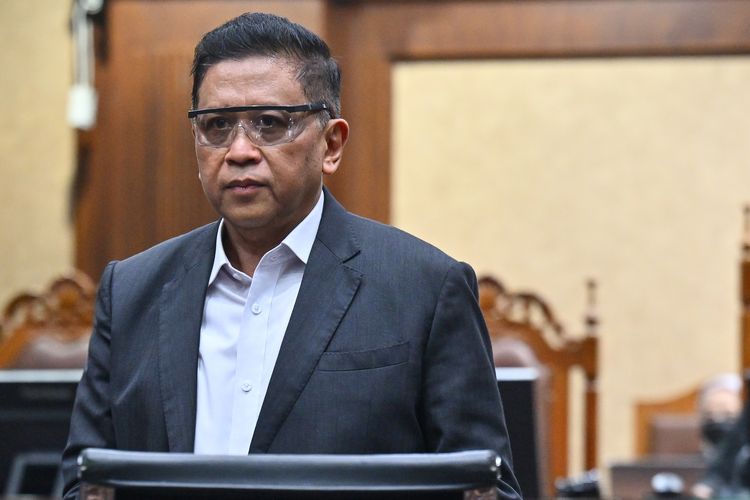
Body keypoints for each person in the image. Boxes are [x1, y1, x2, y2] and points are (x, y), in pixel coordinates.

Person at [61, 12, 521, 499]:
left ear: (331, 145)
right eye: (216, 125)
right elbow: (83, 485)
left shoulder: (424, 288)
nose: (239, 150)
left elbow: (484, 489)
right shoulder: (131, 291)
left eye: (269, 123)